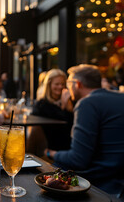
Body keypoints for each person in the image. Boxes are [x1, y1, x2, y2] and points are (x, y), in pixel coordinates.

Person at [46, 64, 124, 196]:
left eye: (68, 83)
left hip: (100, 180)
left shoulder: (87, 103)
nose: (66, 88)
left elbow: (78, 159)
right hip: (119, 174)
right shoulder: (120, 97)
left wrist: (50, 153)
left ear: (77, 84)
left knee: (49, 168)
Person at [32, 69, 74, 151]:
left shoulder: (71, 101)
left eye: (62, 84)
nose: (60, 87)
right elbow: (57, 128)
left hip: (69, 148)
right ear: (49, 85)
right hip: (50, 149)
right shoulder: (42, 105)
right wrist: (64, 108)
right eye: (57, 84)